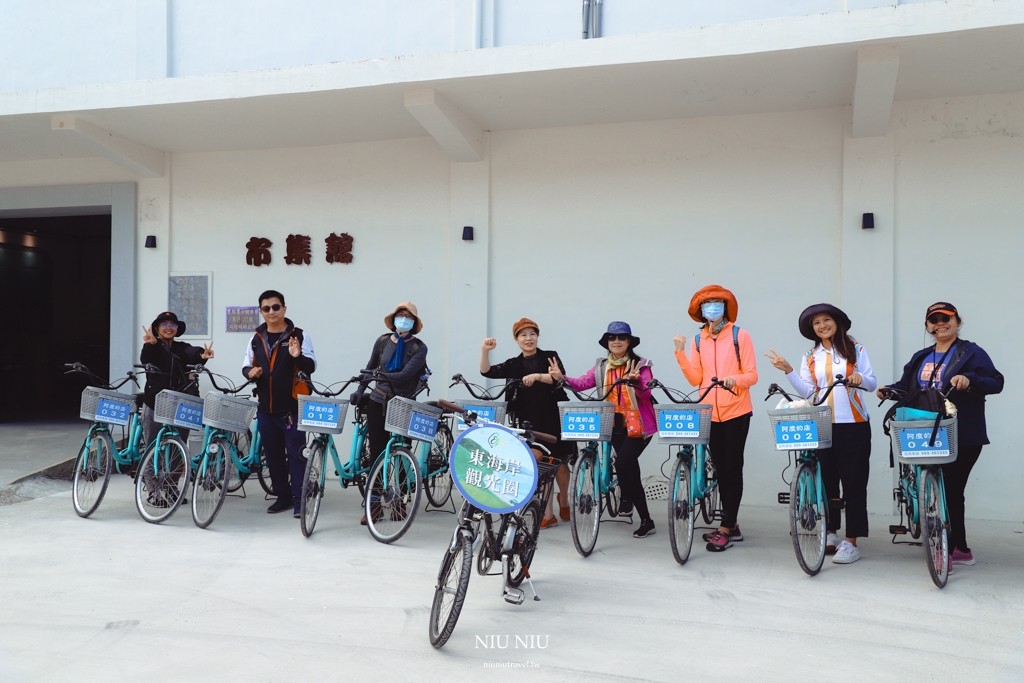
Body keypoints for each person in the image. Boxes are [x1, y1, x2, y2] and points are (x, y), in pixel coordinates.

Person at [878, 302, 1002, 568]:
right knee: (935, 485)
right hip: (923, 430)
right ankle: (941, 535)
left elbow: (996, 382)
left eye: (946, 318)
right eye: (933, 320)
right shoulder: (921, 356)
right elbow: (904, 386)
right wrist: (887, 390)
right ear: (927, 326)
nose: (939, 323)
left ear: (957, 322)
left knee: (952, 489)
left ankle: (958, 547)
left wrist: (970, 379)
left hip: (961, 432)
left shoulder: (971, 352)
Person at [764, 304, 876, 564]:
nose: (822, 325)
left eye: (827, 320)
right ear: (812, 329)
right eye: (816, 323)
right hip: (822, 424)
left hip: (854, 424)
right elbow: (808, 393)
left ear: (836, 322)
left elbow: (871, 382)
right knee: (826, 483)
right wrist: (788, 370)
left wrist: (859, 377)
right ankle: (833, 533)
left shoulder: (856, 349)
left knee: (854, 484)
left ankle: (852, 541)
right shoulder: (810, 356)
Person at [549, 322, 658, 539]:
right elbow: (582, 383)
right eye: (611, 338)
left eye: (621, 338)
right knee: (631, 470)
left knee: (623, 463)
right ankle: (647, 520)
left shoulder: (640, 365)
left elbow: (645, 396)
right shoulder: (601, 366)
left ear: (629, 342)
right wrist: (562, 378)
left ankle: (626, 496)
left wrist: (636, 383)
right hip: (615, 424)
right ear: (607, 343)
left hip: (639, 425)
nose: (616, 341)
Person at [673, 285, 758, 552]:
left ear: (726, 306)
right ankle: (731, 525)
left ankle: (725, 527)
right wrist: (680, 352)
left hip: (736, 410)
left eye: (717, 302)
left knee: (732, 469)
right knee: (721, 470)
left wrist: (737, 379)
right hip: (709, 412)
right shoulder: (698, 340)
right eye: (707, 303)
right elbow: (696, 379)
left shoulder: (739, 336)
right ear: (700, 310)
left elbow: (752, 374)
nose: (712, 307)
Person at [480, 318, 572, 529]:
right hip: (527, 419)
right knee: (540, 463)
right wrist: (485, 351)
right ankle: (547, 514)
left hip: (552, 415)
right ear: (516, 339)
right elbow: (487, 371)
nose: (528, 338)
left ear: (537, 336)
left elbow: (559, 379)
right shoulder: (513, 364)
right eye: (523, 335)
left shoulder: (550, 356)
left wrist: (538, 376)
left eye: (532, 334)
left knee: (560, 464)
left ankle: (564, 499)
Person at [352, 302, 428, 524]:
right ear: (393, 319)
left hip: (403, 403)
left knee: (401, 452)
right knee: (376, 454)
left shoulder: (419, 347)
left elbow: (405, 375)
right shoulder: (383, 341)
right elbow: (370, 366)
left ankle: (399, 504)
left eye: (408, 316)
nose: (403, 319)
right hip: (378, 400)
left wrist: (378, 375)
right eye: (399, 315)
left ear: (413, 322)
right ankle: (374, 505)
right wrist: (359, 390)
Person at [242, 290, 317, 518]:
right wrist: (251, 372)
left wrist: (296, 356)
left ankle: (299, 499)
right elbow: (246, 365)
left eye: (276, 307)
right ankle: (282, 496)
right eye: (266, 308)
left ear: (284, 308)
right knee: (273, 455)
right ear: (261, 312)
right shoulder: (256, 338)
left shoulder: (300, 336)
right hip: (265, 407)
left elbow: (311, 366)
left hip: (291, 408)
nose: (271, 312)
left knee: (296, 454)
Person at [140, 311, 213, 449]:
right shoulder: (152, 346)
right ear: (157, 328)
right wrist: (152, 344)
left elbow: (191, 352)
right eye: (164, 324)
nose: (169, 327)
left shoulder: (181, 347)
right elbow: (146, 359)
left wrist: (202, 355)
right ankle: (148, 471)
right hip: (154, 402)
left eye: (173, 324)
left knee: (179, 448)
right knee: (152, 448)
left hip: (180, 403)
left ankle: (179, 471)